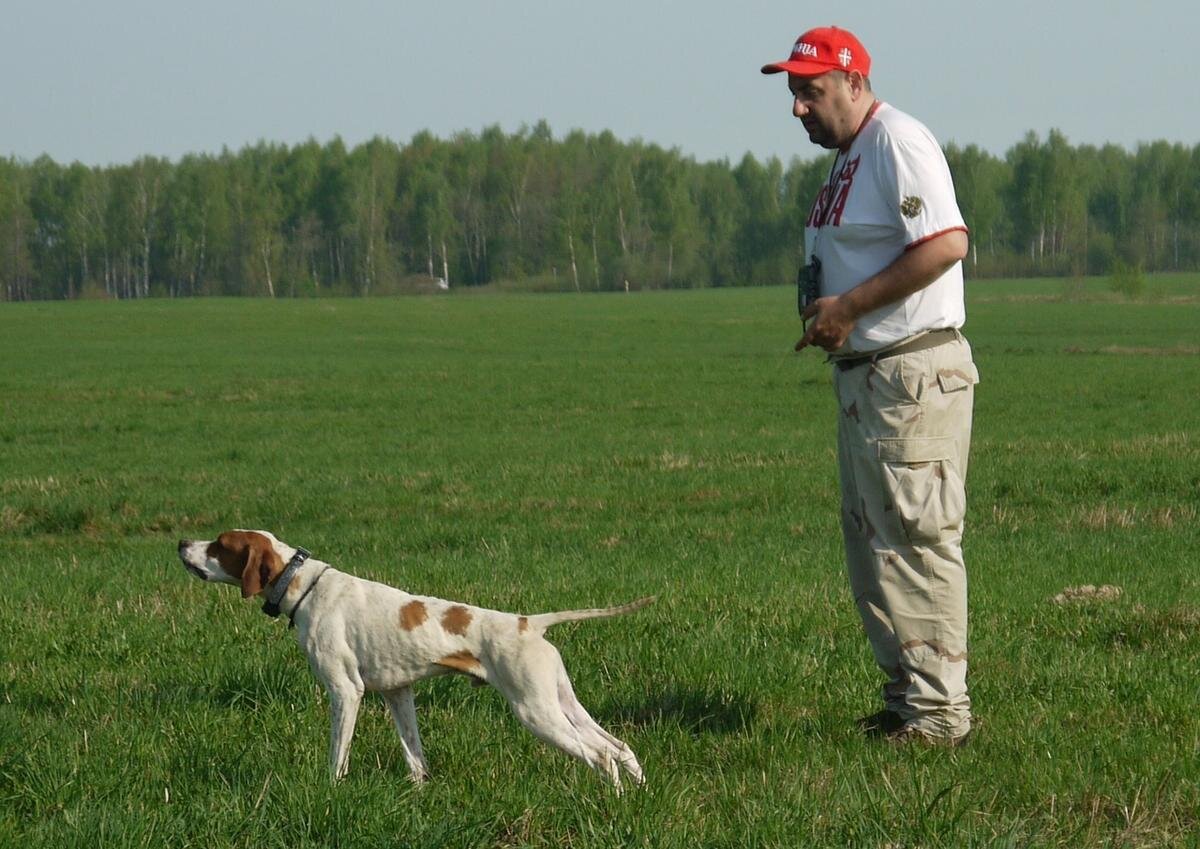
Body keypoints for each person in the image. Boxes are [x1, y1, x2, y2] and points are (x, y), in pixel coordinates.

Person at [761, 26, 978, 746]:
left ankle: (941, 715)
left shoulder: (896, 143)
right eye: (793, 92)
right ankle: (908, 701)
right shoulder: (851, 158)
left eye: (811, 91)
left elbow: (946, 244)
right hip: (870, 381)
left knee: (915, 542)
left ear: (855, 82)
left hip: (911, 374)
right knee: (874, 548)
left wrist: (849, 308)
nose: (798, 107)